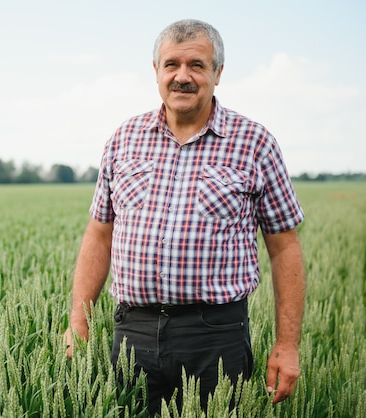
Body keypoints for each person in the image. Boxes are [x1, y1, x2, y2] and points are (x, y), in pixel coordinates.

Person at [64, 19, 306, 414]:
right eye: (171, 64)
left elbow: (285, 249)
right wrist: (79, 319)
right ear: (156, 72)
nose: (182, 76)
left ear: (218, 73)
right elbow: (99, 235)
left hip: (215, 336)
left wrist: (287, 344)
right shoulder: (124, 139)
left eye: (197, 65)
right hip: (132, 331)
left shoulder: (255, 143)